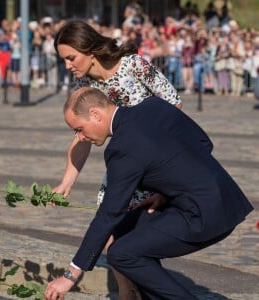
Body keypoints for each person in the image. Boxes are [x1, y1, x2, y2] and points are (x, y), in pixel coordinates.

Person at [45, 87, 253, 300]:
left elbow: (109, 214)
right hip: (224, 197)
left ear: (96, 115)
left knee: (122, 254)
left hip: (205, 214)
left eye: (79, 129)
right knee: (124, 229)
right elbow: (203, 143)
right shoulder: (153, 106)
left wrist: (71, 275)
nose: (80, 137)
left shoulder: (122, 148)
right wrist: (165, 191)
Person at [52, 19, 182, 299]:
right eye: (63, 60)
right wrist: (66, 182)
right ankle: (127, 292)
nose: (67, 66)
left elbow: (174, 104)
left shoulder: (133, 65)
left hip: (154, 161)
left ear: (88, 49)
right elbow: (82, 135)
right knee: (108, 224)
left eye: (70, 58)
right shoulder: (84, 83)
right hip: (123, 163)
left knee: (132, 233)